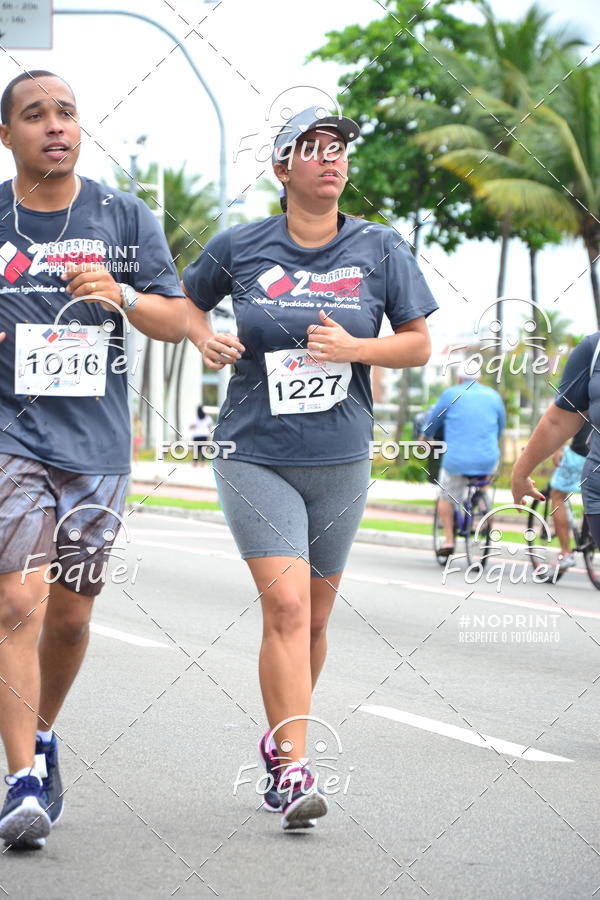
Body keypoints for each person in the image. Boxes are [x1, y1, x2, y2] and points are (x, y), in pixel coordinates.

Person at [183, 106, 438, 830]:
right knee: (288, 606)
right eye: (314, 149)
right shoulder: (243, 244)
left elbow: (418, 344)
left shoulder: (380, 248)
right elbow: (183, 304)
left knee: (317, 617)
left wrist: (358, 350)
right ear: (283, 168)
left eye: (340, 149)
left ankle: (280, 741)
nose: (332, 159)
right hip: (254, 451)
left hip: (340, 455)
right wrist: (206, 339)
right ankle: (296, 768)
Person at [0, 70, 187, 849]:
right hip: (11, 437)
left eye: (67, 113)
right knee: (17, 604)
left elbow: (178, 320)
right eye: (34, 115)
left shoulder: (123, 216)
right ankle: (19, 782)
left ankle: (42, 737)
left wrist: (124, 298)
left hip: (98, 446)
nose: (54, 125)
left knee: (71, 619)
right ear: (7, 135)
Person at [513, 333, 600, 561]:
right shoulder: (593, 350)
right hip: (591, 468)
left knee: (558, 494)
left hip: (577, 453)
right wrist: (520, 472)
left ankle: (566, 551)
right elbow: (558, 420)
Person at [422, 360, 505, 556]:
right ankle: (483, 507)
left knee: (445, 496)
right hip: (487, 458)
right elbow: (500, 428)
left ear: (459, 378)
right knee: (483, 482)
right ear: (479, 378)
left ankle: (449, 541)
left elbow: (432, 422)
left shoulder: (451, 394)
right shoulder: (494, 396)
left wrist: (424, 438)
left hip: (457, 460)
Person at [546, 421, 591, 570]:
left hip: (582, 453)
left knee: (557, 494)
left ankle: (566, 553)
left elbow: (562, 419)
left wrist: (558, 448)